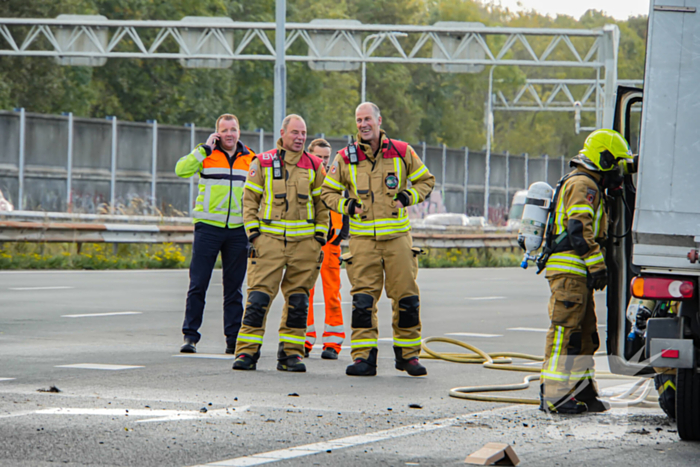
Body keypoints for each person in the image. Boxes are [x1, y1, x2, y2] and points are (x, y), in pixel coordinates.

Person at [321, 102, 435, 377]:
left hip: (397, 239)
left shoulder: (402, 151)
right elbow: (327, 193)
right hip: (362, 241)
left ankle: (408, 357)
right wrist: (348, 206)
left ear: (379, 120)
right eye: (359, 120)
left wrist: (408, 197)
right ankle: (363, 359)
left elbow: (426, 181)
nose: (363, 124)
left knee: (407, 299)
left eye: (367, 119)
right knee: (363, 302)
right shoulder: (344, 157)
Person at [538, 128, 634, 414]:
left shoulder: (588, 184)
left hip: (577, 273)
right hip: (571, 270)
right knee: (565, 333)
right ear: (603, 159)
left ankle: (582, 391)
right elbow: (579, 228)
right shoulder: (584, 185)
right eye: (615, 165)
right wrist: (597, 265)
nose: (618, 173)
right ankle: (554, 395)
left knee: (585, 335)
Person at [233, 114, 329, 372]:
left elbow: (323, 204)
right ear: (283, 133)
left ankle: (291, 356)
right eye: (295, 132)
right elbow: (249, 200)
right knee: (258, 300)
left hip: (305, 246)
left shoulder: (316, 165)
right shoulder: (262, 162)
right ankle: (246, 353)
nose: (299, 138)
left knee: (298, 303)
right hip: (269, 244)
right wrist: (254, 234)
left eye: (303, 133)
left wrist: (319, 236)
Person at [175, 114, 256, 354]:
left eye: (233, 129)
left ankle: (233, 339)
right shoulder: (206, 154)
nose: (229, 134)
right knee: (198, 284)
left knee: (234, 289)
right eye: (224, 130)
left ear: (239, 132)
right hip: (208, 228)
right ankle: (190, 336)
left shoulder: (251, 158)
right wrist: (203, 149)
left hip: (238, 231)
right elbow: (181, 170)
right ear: (217, 133)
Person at [303, 138, 349, 360]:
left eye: (326, 157)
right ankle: (304, 338)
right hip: (308, 241)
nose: (322, 160)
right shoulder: (303, 173)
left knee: (332, 293)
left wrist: (342, 232)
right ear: (310, 153)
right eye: (319, 156)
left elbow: (346, 200)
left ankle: (333, 341)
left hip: (331, 243)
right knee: (305, 292)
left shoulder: (337, 174)